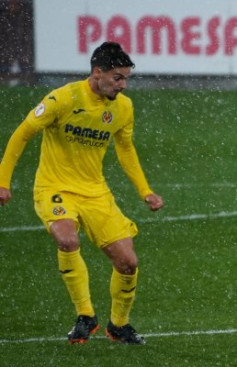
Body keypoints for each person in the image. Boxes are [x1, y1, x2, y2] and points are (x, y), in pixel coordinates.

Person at [0, 42, 163, 345]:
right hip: (55, 188)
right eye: (117, 77)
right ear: (97, 72)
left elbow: (125, 149)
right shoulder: (63, 98)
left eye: (126, 78)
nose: (123, 85)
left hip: (96, 193)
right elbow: (23, 133)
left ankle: (119, 325)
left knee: (128, 263)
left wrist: (145, 191)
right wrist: (3, 181)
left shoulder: (122, 107)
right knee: (67, 238)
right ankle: (85, 315)